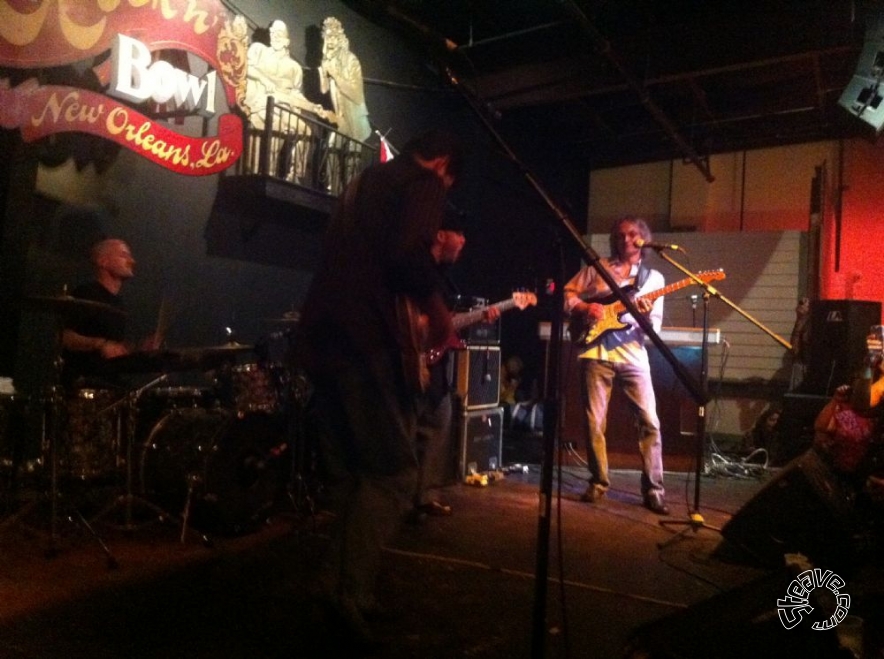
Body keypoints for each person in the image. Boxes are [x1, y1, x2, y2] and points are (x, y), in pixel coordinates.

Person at [295, 129, 465, 645]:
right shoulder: (423, 182)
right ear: (441, 161)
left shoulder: (362, 183)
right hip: (365, 343)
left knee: (351, 476)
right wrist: (440, 317)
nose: (446, 192)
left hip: (321, 339)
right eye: (450, 181)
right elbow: (408, 259)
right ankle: (346, 594)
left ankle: (342, 589)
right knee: (392, 472)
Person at [564, 217, 669, 515]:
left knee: (650, 421)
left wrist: (646, 317)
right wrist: (586, 307)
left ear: (643, 239)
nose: (625, 239)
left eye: (633, 234)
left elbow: (655, 329)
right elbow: (566, 295)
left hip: (633, 356)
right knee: (594, 422)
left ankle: (654, 489)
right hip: (596, 353)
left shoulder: (653, 279)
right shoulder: (597, 270)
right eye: (620, 235)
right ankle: (598, 481)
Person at [410, 210, 499, 522]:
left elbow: (444, 324)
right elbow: (419, 322)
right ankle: (402, 497)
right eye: (459, 234)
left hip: (434, 364)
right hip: (411, 361)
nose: (464, 241)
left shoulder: (443, 277)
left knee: (439, 421)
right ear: (441, 235)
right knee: (414, 428)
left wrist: (477, 316)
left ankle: (424, 496)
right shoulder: (420, 270)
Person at [61, 238, 158, 390]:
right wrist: (100, 344)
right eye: (124, 255)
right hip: (85, 383)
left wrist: (140, 350)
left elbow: (114, 350)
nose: (132, 261)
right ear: (103, 262)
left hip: (110, 381)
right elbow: (63, 337)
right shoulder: (86, 294)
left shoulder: (118, 302)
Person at [243, 20, 327, 181]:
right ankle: (270, 172)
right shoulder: (258, 50)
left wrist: (311, 106)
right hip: (262, 104)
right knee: (276, 125)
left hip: (285, 107)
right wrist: (264, 79)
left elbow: (295, 94)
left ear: (287, 40)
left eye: (279, 34)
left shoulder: (294, 67)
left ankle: (296, 175)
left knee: (307, 131)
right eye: (272, 33)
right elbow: (246, 67)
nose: (274, 36)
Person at [318, 17, 371, 194]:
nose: (331, 41)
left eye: (334, 37)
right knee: (332, 146)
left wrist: (335, 74)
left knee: (351, 158)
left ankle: (349, 193)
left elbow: (356, 94)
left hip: (355, 117)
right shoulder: (328, 60)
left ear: (340, 38)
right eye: (327, 36)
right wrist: (323, 73)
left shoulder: (351, 60)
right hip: (342, 117)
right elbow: (324, 90)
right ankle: (333, 189)